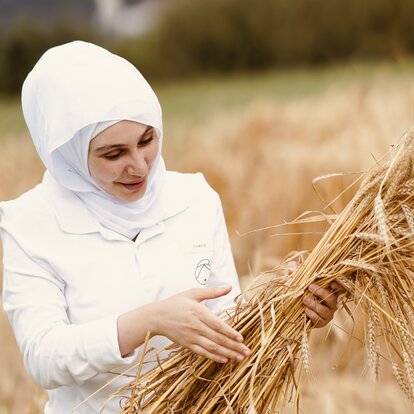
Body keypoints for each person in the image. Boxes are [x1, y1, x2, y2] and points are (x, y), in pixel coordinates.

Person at [0, 41, 340, 413]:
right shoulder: (30, 223)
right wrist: (151, 321)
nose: (141, 166)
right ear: (68, 155)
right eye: (114, 154)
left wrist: (287, 303)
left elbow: (224, 322)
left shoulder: (193, 197)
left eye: (147, 140)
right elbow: (44, 357)